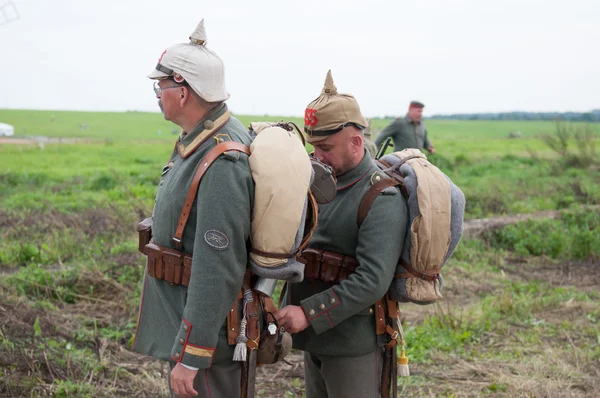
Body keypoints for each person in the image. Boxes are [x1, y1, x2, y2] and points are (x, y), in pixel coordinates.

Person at [131, 19, 254, 398]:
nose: (157, 93)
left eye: (161, 85)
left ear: (183, 91)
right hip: (190, 321)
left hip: (208, 337)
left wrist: (192, 353)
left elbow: (218, 264)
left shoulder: (222, 157)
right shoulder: (198, 139)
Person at [275, 70, 408, 398]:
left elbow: (372, 280)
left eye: (325, 147)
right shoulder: (318, 184)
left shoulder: (381, 196)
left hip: (352, 344)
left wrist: (308, 313)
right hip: (315, 338)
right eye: (314, 146)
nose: (317, 156)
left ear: (356, 142)